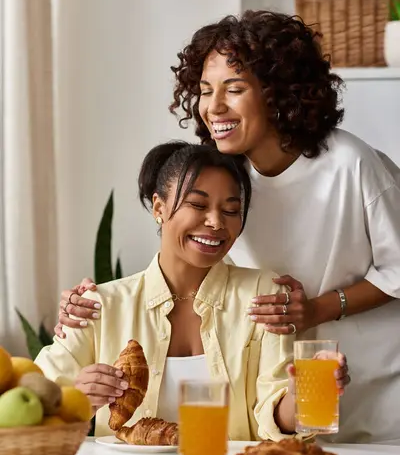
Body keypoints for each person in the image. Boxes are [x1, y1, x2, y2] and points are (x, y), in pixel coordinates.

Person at [55, 11, 400, 445]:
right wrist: (93, 307)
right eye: (203, 91)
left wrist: (317, 310)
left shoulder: (351, 163)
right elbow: (185, 249)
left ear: (278, 95)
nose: (213, 106)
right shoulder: (226, 171)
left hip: (373, 382)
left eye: (233, 89)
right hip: (285, 383)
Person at [40, 142, 349, 437]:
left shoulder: (262, 293)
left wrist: (306, 393)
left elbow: (276, 415)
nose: (216, 222)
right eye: (198, 205)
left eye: (230, 210)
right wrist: (78, 398)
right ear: (159, 207)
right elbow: (29, 400)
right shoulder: (99, 305)